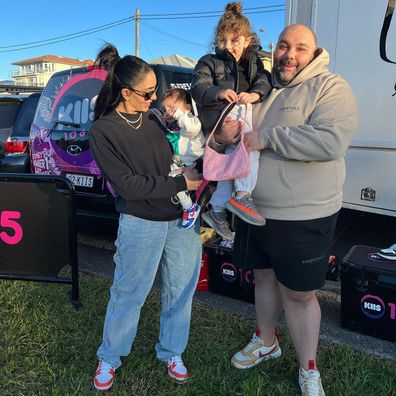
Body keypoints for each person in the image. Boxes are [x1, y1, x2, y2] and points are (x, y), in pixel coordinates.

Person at [215, 24, 359, 395]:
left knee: (299, 295)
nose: (289, 54)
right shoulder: (263, 90)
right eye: (283, 46)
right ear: (274, 50)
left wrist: (265, 138)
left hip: (303, 215)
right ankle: (267, 341)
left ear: (314, 52)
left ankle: (308, 367)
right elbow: (237, 137)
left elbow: (330, 141)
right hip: (252, 210)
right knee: (263, 279)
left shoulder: (330, 87)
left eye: (299, 47)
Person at [89, 44, 202, 391]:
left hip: (182, 218)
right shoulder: (104, 131)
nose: (155, 97)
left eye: (156, 90)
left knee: (180, 291)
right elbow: (128, 186)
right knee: (129, 291)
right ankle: (110, 356)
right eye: (148, 92)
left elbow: (181, 145)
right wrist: (180, 181)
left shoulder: (155, 116)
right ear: (125, 92)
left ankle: (171, 351)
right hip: (141, 220)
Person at [191, 2, 271, 240]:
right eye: (223, 40)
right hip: (219, 117)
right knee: (249, 145)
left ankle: (216, 210)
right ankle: (243, 196)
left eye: (235, 40)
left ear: (247, 40)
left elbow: (264, 81)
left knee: (231, 166)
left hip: (239, 114)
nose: (228, 46)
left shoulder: (254, 63)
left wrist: (255, 94)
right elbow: (198, 86)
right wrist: (217, 92)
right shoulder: (209, 61)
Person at [160, 88, 205, 229]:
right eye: (164, 109)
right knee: (171, 176)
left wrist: (179, 115)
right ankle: (187, 205)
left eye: (172, 108)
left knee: (175, 178)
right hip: (181, 163)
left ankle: (189, 207)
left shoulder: (191, 121)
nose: (168, 112)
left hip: (196, 163)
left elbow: (192, 129)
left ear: (188, 108)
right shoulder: (171, 126)